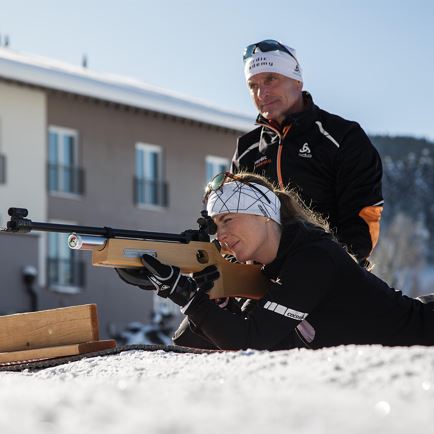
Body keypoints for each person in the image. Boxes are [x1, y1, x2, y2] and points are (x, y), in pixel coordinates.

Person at [116, 172, 434, 350]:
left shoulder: (312, 258)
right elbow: (195, 344)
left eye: (227, 220)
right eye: (215, 225)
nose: (219, 235)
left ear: (266, 216)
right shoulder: (269, 271)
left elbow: (250, 340)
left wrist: (186, 297)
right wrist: (217, 303)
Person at [232, 39, 383, 266]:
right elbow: (234, 220)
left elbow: (363, 215)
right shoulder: (247, 149)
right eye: (253, 85)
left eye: (271, 79)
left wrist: (338, 266)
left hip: (330, 274)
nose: (261, 93)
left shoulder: (342, 136)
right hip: (264, 278)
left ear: (297, 82)